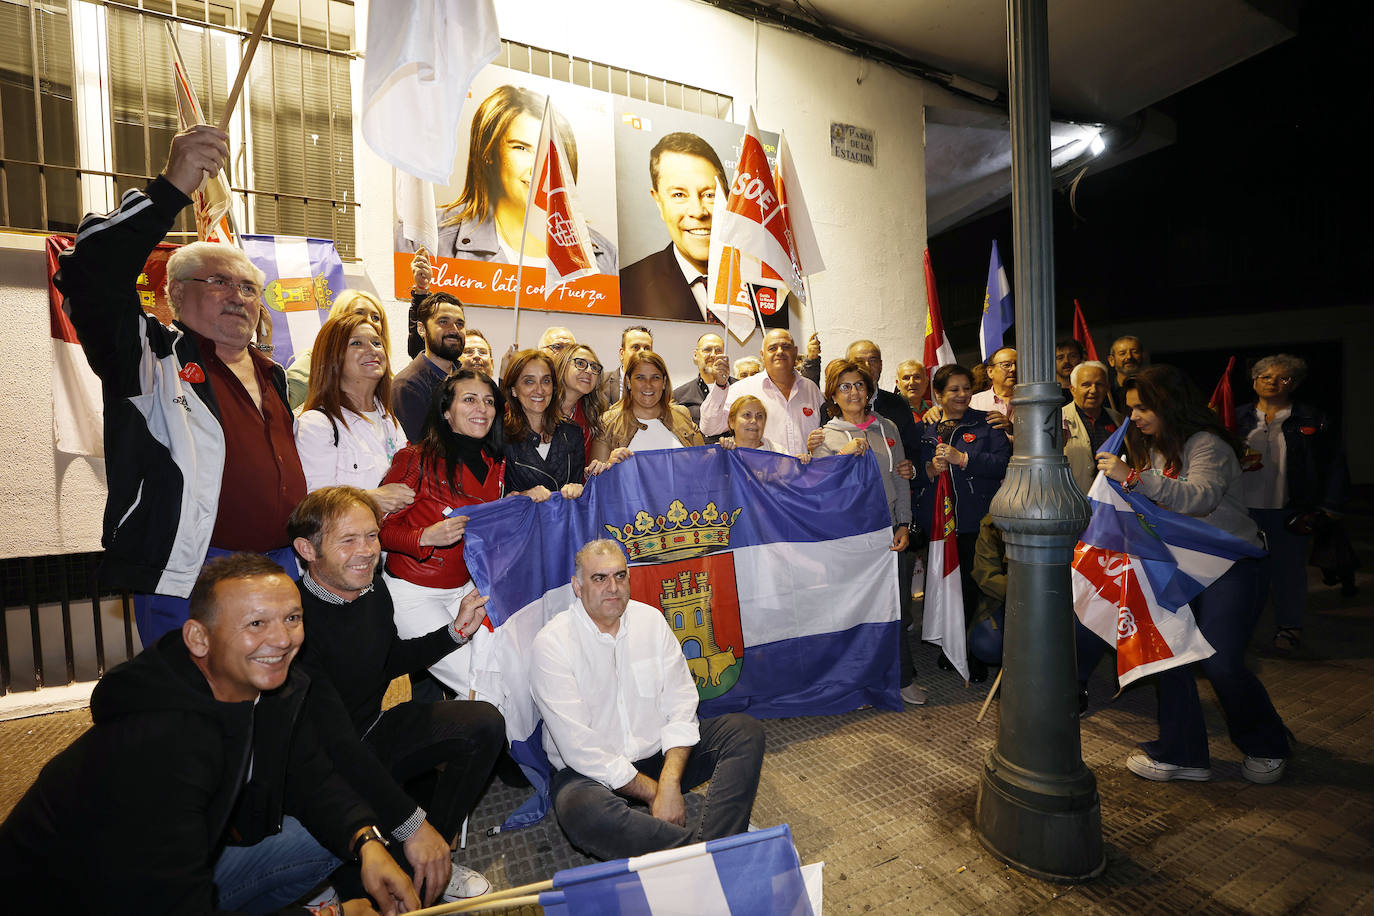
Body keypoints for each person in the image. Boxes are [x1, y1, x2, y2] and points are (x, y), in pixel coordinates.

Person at [0, 553, 419, 915]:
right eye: (256, 623)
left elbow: (311, 775)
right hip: (76, 899)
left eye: (292, 618)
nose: (282, 638)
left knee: (333, 833)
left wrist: (368, 842)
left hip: (159, 870)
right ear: (199, 638)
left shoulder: (267, 684)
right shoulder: (163, 742)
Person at [56, 125, 306, 646]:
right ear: (172, 293)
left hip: (282, 568)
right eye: (217, 282)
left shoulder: (273, 375)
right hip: (191, 574)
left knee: (270, 711)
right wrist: (171, 188)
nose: (237, 296)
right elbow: (94, 276)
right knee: (192, 714)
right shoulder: (148, 358)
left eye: (248, 288)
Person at [289, 488, 506, 904]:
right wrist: (411, 824)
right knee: (367, 894)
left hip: (372, 731)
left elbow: (388, 662)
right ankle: (408, 851)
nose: (367, 551)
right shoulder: (294, 623)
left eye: (372, 536)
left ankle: (434, 860)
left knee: (484, 721)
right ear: (306, 549)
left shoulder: (373, 591)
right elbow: (336, 743)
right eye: (348, 540)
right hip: (326, 768)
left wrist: (455, 632)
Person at [1095, 365, 1290, 784]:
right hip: (1180, 564)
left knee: (1221, 663)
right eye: (1131, 410)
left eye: (1143, 408)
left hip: (1231, 563)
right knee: (1169, 655)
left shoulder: (1208, 444)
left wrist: (1132, 478)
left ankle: (1268, 743)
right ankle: (1182, 754)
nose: (1136, 418)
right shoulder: (1158, 445)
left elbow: (1199, 499)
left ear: (1169, 404)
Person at [530, 539, 766, 860]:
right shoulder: (552, 644)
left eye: (620, 576)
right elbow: (579, 748)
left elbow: (681, 703)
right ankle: (712, 852)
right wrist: (657, 793)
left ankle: (707, 845)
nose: (613, 587)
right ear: (577, 586)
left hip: (658, 757)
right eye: (599, 578)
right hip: (591, 773)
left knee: (744, 731)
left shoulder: (651, 620)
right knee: (581, 812)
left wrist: (669, 781)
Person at [378, 370, 506, 698]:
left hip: (467, 590)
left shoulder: (496, 464)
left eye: (489, 401)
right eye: (470, 399)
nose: (482, 408)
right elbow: (375, 530)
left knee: (505, 674)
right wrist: (423, 536)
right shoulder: (415, 459)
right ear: (446, 411)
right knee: (484, 689)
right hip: (413, 594)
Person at [396, 85, 616, 272]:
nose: (539, 169)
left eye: (551, 154)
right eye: (521, 148)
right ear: (488, 153)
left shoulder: (603, 255)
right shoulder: (424, 237)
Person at [811, 360, 923, 705]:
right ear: (833, 395)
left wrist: (904, 523)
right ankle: (857, 681)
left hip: (890, 533)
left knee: (898, 607)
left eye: (858, 385)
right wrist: (840, 458)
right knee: (857, 610)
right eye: (844, 387)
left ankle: (903, 676)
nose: (853, 392)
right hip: (851, 539)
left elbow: (900, 478)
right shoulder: (825, 436)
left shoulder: (887, 427)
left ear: (869, 389)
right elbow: (821, 492)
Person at [1237, 354, 1348, 652]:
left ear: (1295, 383)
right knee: (1243, 573)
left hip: (1289, 509)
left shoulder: (1313, 418)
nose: (1273, 382)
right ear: (1254, 380)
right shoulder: (1236, 418)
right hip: (1242, 510)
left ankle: (1289, 627)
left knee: (1288, 572)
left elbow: (1334, 463)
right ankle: (1240, 629)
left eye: (1282, 378)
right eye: (1265, 377)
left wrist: (1330, 507)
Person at [914, 364, 1012, 683]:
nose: (961, 395)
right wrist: (928, 470)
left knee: (971, 588)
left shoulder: (987, 424)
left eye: (966, 388)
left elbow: (1004, 465)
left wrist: (964, 459)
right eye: (953, 390)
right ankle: (948, 644)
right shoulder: (925, 430)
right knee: (942, 586)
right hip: (938, 525)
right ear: (938, 395)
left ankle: (971, 650)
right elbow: (912, 472)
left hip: (975, 523)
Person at [295, 313, 414, 517]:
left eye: (377, 343)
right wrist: (371, 499)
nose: (372, 350)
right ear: (332, 356)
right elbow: (312, 505)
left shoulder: (390, 420)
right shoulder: (317, 424)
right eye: (356, 343)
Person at [619, 132, 727, 322]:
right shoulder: (626, 288)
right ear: (659, 202)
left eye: (709, 195)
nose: (698, 211)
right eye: (679, 195)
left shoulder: (763, 282)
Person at [699, 329, 824, 456]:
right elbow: (709, 427)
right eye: (772, 348)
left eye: (786, 346)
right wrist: (720, 385)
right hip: (760, 474)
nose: (780, 351)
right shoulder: (742, 389)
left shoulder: (811, 390)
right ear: (762, 355)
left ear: (795, 351)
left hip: (805, 474)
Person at [287, 290, 394, 410]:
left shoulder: (379, 364)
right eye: (359, 313)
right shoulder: (312, 361)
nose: (369, 321)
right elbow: (282, 406)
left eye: (375, 317)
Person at [502, 349, 587, 500]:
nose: (539, 390)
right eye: (529, 381)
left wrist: (578, 489)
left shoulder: (572, 433)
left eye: (546, 381)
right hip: (521, 522)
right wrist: (521, 497)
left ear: (553, 388)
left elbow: (580, 490)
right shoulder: (501, 435)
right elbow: (495, 498)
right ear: (513, 389)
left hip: (563, 521)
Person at [592, 350, 704, 461]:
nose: (648, 384)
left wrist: (721, 449)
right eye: (640, 377)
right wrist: (610, 466)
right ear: (628, 382)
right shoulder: (607, 423)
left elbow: (705, 465)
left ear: (664, 382)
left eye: (655, 377)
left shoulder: (683, 415)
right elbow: (597, 476)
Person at [393, 291, 467, 443]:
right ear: (421, 329)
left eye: (460, 323)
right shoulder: (407, 386)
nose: (454, 329)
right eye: (443, 321)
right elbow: (415, 454)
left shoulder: (467, 379)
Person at [1062, 360, 1123, 494]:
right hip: (1075, 503)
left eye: (1099, 384)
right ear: (1072, 389)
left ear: (1107, 388)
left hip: (1113, 501)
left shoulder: (1118, 419)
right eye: (1086, 385)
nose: (1093, 390)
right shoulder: (1059, 419)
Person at [672, 331, 735, 438]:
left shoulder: (740, 388)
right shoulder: (678, 395)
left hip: (732, 453)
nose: (713, 354)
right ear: (695, 355)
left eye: (718, 350)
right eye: (707, 350)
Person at [555, 343, 610, 460]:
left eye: (594, 367)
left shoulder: (593, 416)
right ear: (562, 365)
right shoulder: (538, 406)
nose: (589, 371)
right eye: (580, 363)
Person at [602, 325, 654, 404]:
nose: (642, 352)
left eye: (647, 348)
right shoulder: (601, 383)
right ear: (622, 354)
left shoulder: (657, 385)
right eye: (636, 347)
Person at [970, 347, 1016, 434]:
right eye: (1006, 365)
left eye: (1018, 364)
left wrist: (1015, 431)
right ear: (990, 372)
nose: (1013, 369)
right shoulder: (974, 402)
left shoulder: (1032, 401)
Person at [1105, 335, 1146, 414]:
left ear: (1143, 356)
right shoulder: (1106, 394)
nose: (1129, 357)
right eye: (1122, 353)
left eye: (1135, 352)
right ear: (1111, 360)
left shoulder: (1153, 390)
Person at [1055, 337, 1086, 404]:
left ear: (1081, 360)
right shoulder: (1049, 394)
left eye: (1072, 356)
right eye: (1060, 357)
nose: (1066, 361)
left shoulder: (1088, 392)